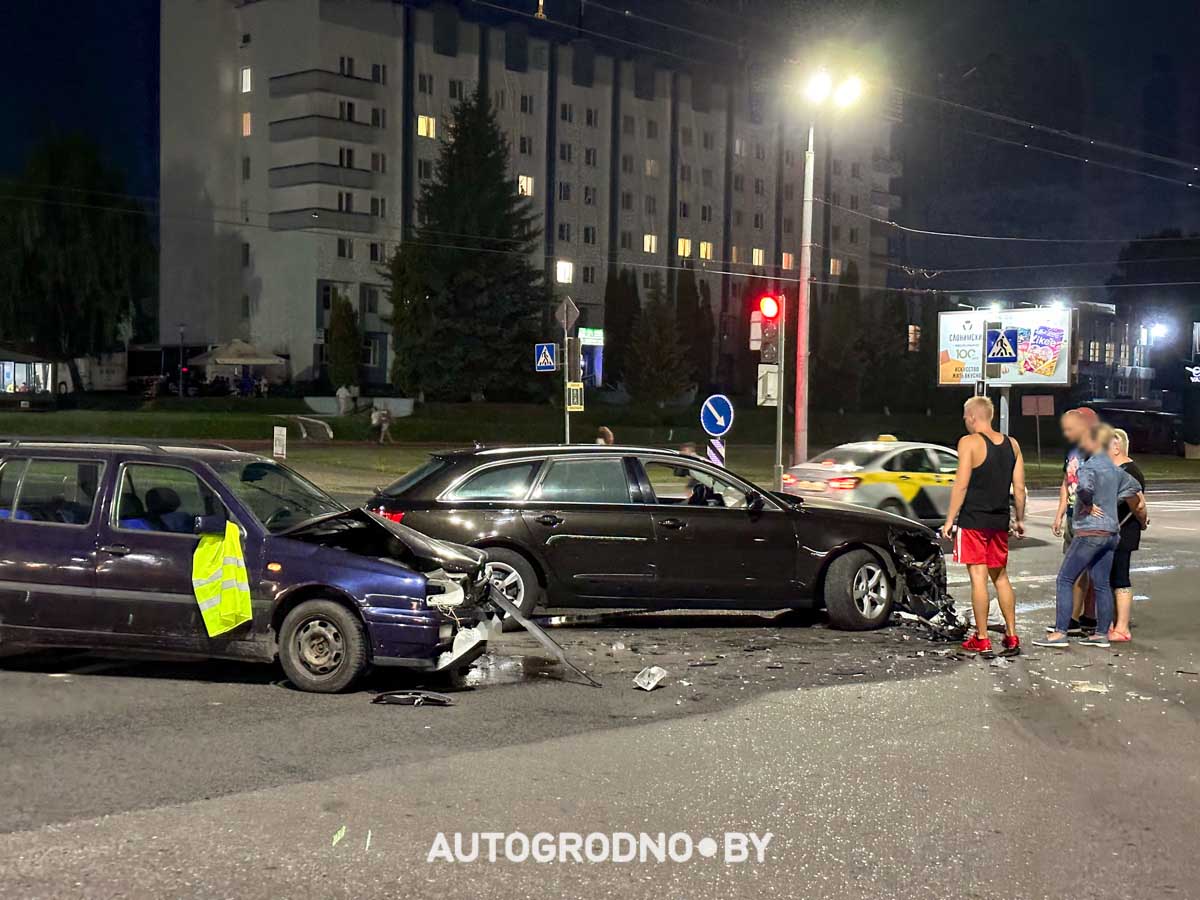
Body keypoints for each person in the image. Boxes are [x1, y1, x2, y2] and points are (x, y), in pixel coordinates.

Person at [1034, 424, 1146, 649]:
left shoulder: (1089, 466)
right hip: (1111, 533)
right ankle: (1101, 634)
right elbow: (1134, 488)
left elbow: (1083, 488)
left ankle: (1060, 632)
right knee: (1102, 583)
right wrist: (1113, 501)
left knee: (1065, 579)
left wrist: (1088, 503)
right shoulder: (1115, 469)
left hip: (1089, 532)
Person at [942, 396, 1026, 653]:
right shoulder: (1013, 445)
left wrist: (950, 519)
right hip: (999, 521)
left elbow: (961, 484)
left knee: (978, 578)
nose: (965, 421)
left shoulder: (968, 442)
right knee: (1001, 577)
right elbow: (1019, 488)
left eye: (965, 417)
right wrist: (1020, 519)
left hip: (974, 520)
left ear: (972, 417)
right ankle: (1011, 635)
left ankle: (982, 638)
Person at [1051, 409, 1098, 636]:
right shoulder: (1073, 451)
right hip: (1072, 514)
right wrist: (1059, 513)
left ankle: (1073, 619)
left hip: (1087, 518)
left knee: (1079, 570)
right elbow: (1066, 482)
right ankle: (1088, 617)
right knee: (1082, 568)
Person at [1108, 428, 1148, 642]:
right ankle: (1112, 623)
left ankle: (1122, 628)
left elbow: (1138, 505)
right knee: (1110, 577)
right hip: (1113, 530)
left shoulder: (1130, 471)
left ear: (1117, 446)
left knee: (1120, 576)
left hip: (1123, 531)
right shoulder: (1118, 469)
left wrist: (1142, 521)